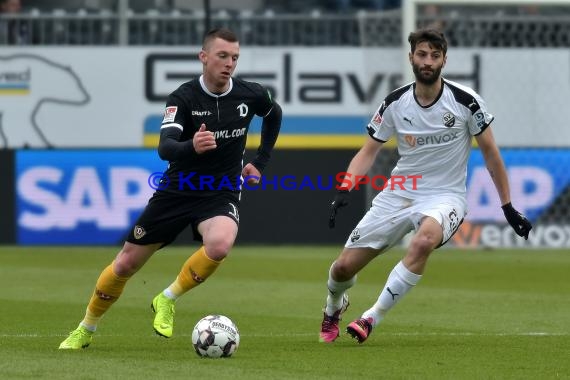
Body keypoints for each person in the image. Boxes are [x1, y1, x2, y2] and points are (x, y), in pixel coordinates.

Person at [59, 27, 282, 349]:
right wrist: (192, 144)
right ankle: (85, 328)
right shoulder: (183, 97)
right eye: (222, 56)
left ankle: (167, 298)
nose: (229, 63)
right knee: (125, 264)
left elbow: (274, 114)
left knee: (219, 244)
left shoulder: (252, 94)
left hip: (221, 190)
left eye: (234, 57)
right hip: (178, 189)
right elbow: (165, 147)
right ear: (203, 57)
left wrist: (260, 162)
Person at [319, 28, 532, 344]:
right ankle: (333, 307)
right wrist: (344, 189)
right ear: (411, 58)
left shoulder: (466, 102)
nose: (428, 61)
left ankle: (370, 318)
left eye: (435, 55)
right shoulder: (395, 103)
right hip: (399, 193)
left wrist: (507, 206)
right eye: (422, 54)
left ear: (444, 60)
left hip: (446, 197)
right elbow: (368, 150)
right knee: (342, 269)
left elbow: (491, 154)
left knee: (423, 242)